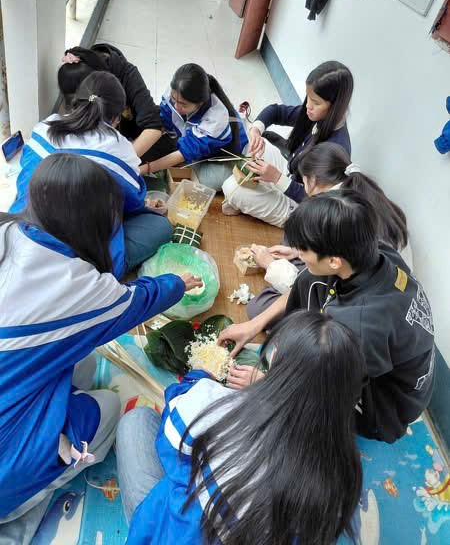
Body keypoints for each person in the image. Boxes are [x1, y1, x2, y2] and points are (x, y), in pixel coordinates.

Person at [0, 153, 202, 544]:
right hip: (5, 463)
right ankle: (20, 506)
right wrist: (178, 282)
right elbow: (138, 301)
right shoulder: (80, 285)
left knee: (84, 363)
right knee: (108, 407)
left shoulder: (8, 231)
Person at [115, 310, 367, 545]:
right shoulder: (345, 473)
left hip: (171, 535)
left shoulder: (217, 406)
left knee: (137, 421)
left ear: (276, 363)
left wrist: (198, 377)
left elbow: (172, 425)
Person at [219, 191, 435, 443]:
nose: (299, 254)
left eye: (303, 249)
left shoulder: (357, 326)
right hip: (373, 359)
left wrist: (266, 383)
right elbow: (306, 280)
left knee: (289, 416)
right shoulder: (374, 252)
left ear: (334, 261)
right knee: (308, 277)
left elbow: (323, 393)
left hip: (383, 408)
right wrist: (253, 326)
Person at [10, 71, 173, 277]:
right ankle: (103, 270)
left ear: (75, 101)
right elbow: (133, 203)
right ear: (117, 117)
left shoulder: (45, 128)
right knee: (160, 225)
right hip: (78, 261)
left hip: (20, 234)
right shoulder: (119, 150)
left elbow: (24, 177)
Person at [247, 142, 412, 319]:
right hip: (380, 280)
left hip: (363, 296)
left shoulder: (338, 215)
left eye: (302, 181)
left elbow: (330, 281)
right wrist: (297, 252)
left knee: (260, 307)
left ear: (312, 180)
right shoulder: (352, 197)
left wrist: (272, 266)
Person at [221, 60, 353, 227]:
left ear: (334, 106)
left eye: (316, 102)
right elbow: (276, 111)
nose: (308, 106)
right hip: (291, 172)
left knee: (230, 188)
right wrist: (255, 130)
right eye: (308, 98)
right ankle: (258, 196)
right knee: (254, 146)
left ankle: (257, 200)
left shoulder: (336, 148)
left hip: (301, 205)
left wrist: (277, 178)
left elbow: (315, 201)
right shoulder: (316, 115)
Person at [143, 63, 248, 191]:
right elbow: (162, 121)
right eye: (174, 99)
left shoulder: (216, 118)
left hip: (224, 156)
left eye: (183, 104)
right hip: (197, 142)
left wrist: (144, 169)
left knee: (200, 182)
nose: (176, 106)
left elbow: (184, 153)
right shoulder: (177, 93)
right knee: (156, 150)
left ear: (200, 102)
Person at [58, 44, 166, 160]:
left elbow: (153, 125)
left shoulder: (127, 75)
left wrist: (120, 162)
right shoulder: (78, 83)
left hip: (136, 140)